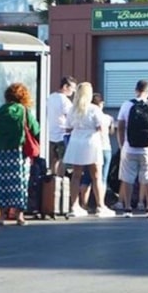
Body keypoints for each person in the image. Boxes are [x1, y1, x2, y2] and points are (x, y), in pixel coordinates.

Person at [0, 83, 40, 226]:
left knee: (2, 183)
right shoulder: (23, 111)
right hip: (19, 153)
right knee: (20, 183)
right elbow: (35, 129)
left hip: (2, 152)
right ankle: (19, 216)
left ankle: (1, 215)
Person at [63, 83, 115, 218]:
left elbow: (67, 128)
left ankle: (74, 206)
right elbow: (101, 126)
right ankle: (100, 206)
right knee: (96, 175)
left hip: (76, 141)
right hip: (91, 141)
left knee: (76, 175)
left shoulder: (72, 109)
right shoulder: (94, 109)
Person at [117, 80, 148, 218]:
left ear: (136, 90)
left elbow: (120, 126)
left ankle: (128, 208)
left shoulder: (127, 104)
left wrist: (122, 144)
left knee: (127, 178)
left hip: (129, 148)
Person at [80, 93, 114, 210]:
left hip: (89, 148)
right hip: (105, 148)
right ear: (101, 104)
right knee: (102, 178)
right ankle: (101, 204)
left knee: (86, 178)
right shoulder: (108, 118)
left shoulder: (85, 115)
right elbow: (111, 132)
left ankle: (83, 204)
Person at [47, 76, 76, 176]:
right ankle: (60, 179)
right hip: (62, 133)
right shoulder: (65, 100)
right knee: (63, 159)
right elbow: (71, 116)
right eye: (72, 88)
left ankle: (52, 179)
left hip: (50, 133)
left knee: (54, 159)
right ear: (65, 87)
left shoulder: (50, 97)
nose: (73, 91)